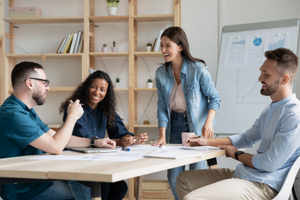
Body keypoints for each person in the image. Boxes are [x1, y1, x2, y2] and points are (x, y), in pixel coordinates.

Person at [176, 48, 300, 200]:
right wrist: (205, 142)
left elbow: (269, 164)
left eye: (266, 74)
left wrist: (237, 154)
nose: (260, 78)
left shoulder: (294, 116)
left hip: (264, 185)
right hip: (247, 174)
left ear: (284, 79)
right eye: (261, 72)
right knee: (183, 179)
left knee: (192, 198)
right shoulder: (271, 109)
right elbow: (246, 138)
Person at [0, 61, 116, 200]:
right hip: (24, 189)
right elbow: (56, 147)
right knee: (88, 190)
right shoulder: (14, 114)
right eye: (45, 83)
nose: (48, 88)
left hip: (36, 179)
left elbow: (55, 137)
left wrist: (95, 142)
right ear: (30, 83)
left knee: (92, 185)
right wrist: (72, 116)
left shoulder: (26, 111)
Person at [153, 26, 221, 200]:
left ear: (180, 46)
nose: (163, 50)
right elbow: (162, 106)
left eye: (168, 45)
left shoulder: (198, 69)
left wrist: (209, 122)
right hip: (174, 126)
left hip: (196, 128)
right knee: (174, 178)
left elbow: (215, 98)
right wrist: (162, 135)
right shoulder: (161, 73)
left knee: (195, 177)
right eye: (161, 45)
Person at [59, 70, 148, 200]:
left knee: (120, 187)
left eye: (102, 89)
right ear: (87, 87)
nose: (97, 92)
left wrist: (131, 139)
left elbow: (119, 131)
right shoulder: (75, 107)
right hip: (77, 161)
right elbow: (84, 136)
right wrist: (117, 141)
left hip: (97, 160)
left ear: (107, 93)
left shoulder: (106, 109)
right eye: (93, 87)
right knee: (104, 182)